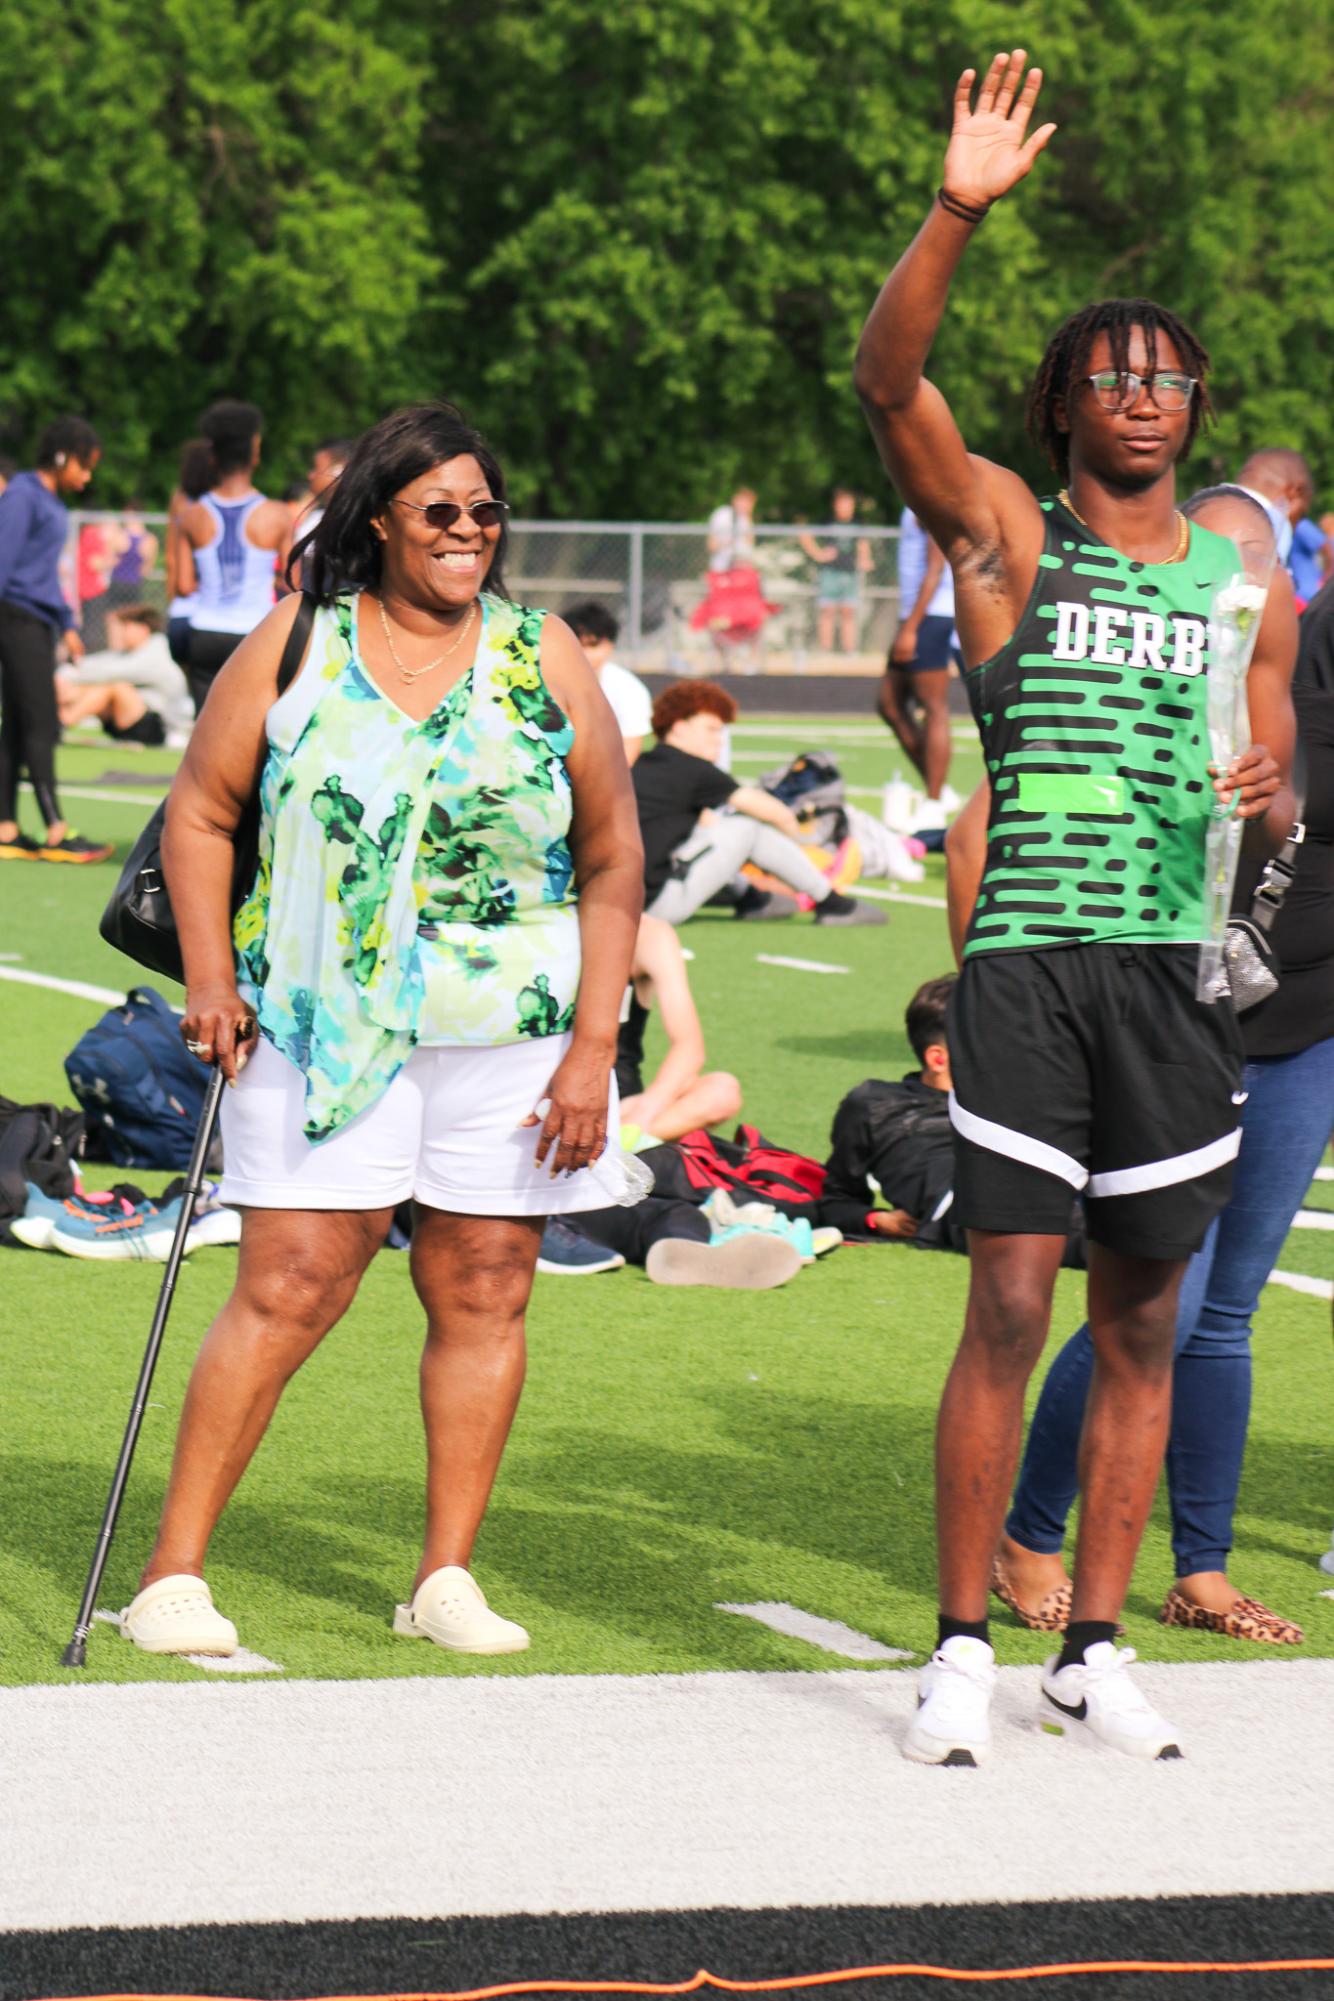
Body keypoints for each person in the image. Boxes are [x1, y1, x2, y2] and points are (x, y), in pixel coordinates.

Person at [853, 49, 1295, 1767]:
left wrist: (1268, 797)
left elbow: (1270, 787)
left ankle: (1091, 1648)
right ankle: (959, 1648)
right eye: (1108, 377)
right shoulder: (1005, 536)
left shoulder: (1240, 588)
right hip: (1030, 969)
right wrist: (955, 207)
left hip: (1175, 982)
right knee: (1009, 1303)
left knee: (1143, 1322)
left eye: (1166, 380)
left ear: (1191, 410)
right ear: (1058, 404)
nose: (1140, 398)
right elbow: (887, 379)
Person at [116, 401, 643, 1661]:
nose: (465, 533)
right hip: (314, 1018)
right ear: (381, 519)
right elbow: (200, 812)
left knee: (484, 1286)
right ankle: (172, 1574)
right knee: (291, 1283)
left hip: (510, 1027)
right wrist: (206, 979)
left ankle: (443, 1577)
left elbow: (614, 859)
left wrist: (591, 1049)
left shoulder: (546, 654)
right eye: (438, 511)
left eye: (484, 511)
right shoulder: (299, 638)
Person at [990, 491, 1330, 1649]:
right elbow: (1028, 807)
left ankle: (1202, 1565)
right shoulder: (1146, 675)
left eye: (1264, 569)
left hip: (1305, 1021)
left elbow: (1287, 803)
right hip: (1167, 1007)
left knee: (1223, 1313)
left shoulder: (1280, 659)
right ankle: (1030, 1531)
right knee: (1155, 1303)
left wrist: (1268, 782)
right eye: (1226, 564)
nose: (1242, 590)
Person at [634, 680, 885, 927]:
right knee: (746, 828)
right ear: (679, 727)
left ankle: (751, 899)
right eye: (711, 729)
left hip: (626, 902)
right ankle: (831, 902)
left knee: (712, 831)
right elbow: (774, 813)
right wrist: (807, 842)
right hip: (656, 907)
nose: (719, 740)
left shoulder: (642, 764)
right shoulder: (694, 770)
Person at [0, 416, 113, 863]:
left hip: (36, 618)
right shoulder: (24, 496)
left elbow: (46, 575)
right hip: (16, 618)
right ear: (64, 457)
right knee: (42, 721)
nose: (86, 478)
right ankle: (55, 830)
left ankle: (5, 828)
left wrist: (67, 622)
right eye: (84, 467)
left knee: (16, 726)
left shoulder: (52, 505)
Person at [178, 400, 291, 716]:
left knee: (205, 727)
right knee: (253, 727)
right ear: (254, 454)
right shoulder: (277, 516)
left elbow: (185, 585)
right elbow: (291, 581)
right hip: (255, 633)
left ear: (212, 457)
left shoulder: (191, 517)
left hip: (205, 632)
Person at [877, 505, 957, 826]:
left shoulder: (928, 500)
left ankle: (935, 802)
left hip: (930, 617)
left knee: (933, 706)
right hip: (914, 616)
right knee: (889, 704)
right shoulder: (910, 503)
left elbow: (935, 569)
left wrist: (911, 628)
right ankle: (938, 786)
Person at [56, 604, 194, 748]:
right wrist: (65, 677)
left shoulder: (156, 654)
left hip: (161, 728)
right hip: (133, 722)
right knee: (85, 686)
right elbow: (98, 664)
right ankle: (50, 723)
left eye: (126, 628)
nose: (122, 634)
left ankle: (60, 724)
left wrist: (70, 675)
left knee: (114, 686)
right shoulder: (132, 652)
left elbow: (110, 672)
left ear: (143, 629)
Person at [564, 599, 652, 763]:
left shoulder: (629, 689)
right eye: (577, 644)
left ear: (610, 645)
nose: (584, 653)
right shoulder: (543, 678)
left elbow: (629, 749)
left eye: (593, 645)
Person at [798, 488, 873, 654]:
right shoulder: (826, 521)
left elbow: (863, 544)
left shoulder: (858, 522)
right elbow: (804, 533)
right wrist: (818, 554)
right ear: (835, 505)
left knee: (848, 612)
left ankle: (849, 650)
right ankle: (825, 649)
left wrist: (865, 559)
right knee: (828, 611)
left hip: (850, 572)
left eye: (849, 503)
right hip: (830, 572)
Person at [164, 439, 214, 672]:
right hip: (215, 607)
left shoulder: (180, 499)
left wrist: (173, 599)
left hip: (184, 606)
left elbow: (171, 557)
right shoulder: (219, 501)